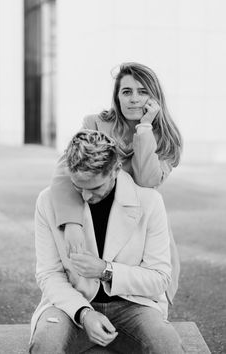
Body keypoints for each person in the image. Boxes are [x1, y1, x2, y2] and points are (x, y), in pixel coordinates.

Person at [29, 130, 184, 354]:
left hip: (134, 304)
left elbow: (159, 279)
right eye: (76, 186)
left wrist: (106, 271)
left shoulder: (150, 202)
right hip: (70, 304)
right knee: (45, 345)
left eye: (94, 188)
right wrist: (84, 313)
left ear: (116, 170)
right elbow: (48, 274)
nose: (84, 196)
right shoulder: (46, 201)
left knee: (167, 346)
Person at [51, 62, 182, 304]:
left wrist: (145, 128)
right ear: (117, 97)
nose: (134, 99)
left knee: (137, 293)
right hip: (94, 216)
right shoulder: (95, 125)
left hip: (136, 228)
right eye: (126, 91)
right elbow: (63, 173)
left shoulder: (167, 140)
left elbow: (146, 181)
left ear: (155, 98)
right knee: (85, 286)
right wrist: (71, 223)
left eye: (142, 92)